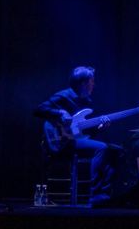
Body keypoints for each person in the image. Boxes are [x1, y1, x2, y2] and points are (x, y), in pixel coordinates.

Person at [34, 66, 123, 195]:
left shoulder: (87, 102)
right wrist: (59, 112)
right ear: (84, 83)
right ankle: (95, 194)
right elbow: (39, 110)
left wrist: (99, 128)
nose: (94, 85)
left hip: (76, 140)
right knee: (102, 148)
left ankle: (107, 194)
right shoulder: (64, 95)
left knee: (117, 150)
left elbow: (84, 132)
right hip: (61, 142)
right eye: (92, 82)